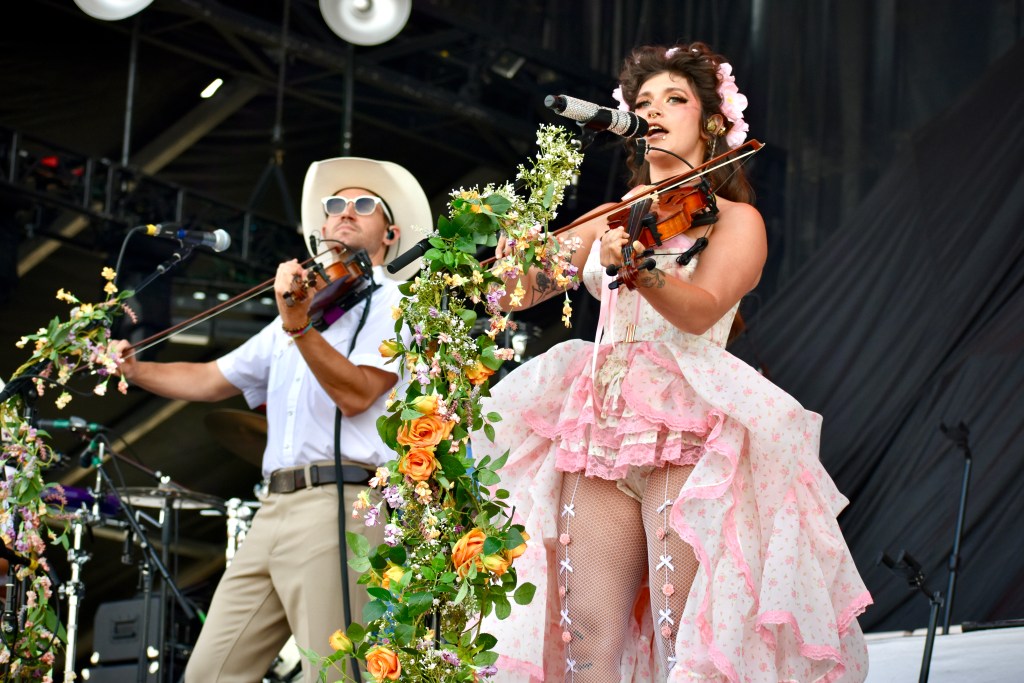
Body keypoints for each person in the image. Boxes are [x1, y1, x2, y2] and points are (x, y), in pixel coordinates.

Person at [474, 43, 871, 681]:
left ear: (711, 122)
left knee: (679, 624)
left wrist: (642, 271)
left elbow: (702, 306)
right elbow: (514, 292)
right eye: (642, 102)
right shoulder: (617, 214)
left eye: (673, 99)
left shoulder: (735, 219)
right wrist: (507, 248)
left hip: (686, 424)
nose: (653, 111)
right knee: (587, 634)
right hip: (598, 426)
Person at [113, 157, 431, 683]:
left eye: (364, 205)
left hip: (341, 505)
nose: (345, 212)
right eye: (335, 205)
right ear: (321, 229)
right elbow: (210, 379)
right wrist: (135, 369)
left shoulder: (395, 304)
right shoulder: (300, 309)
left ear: (390, 234)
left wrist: (299, 327)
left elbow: (357, 394)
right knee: (209, 674)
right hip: (273, 508)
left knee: (335, 675)